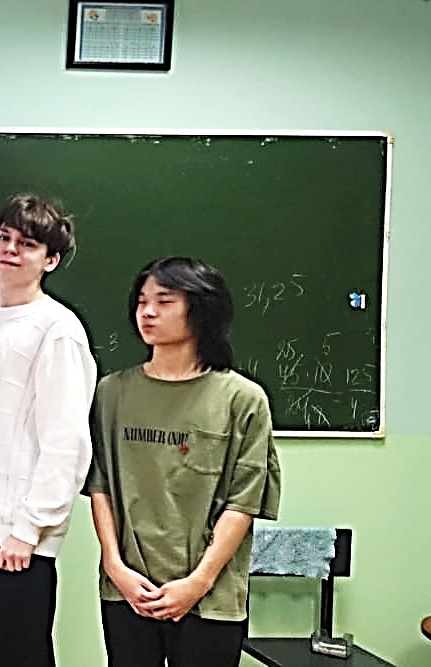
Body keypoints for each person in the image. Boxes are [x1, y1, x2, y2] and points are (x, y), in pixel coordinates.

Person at [85, 257, 282, 666]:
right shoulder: (112, 393)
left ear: (202, 309)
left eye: (164, 301)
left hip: (209, 597)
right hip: (128, 589)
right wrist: (115, 566)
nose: (147, 312)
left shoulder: (242, 399)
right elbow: (100, 484)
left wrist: (198, 582)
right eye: (142, 301)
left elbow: (243, 501)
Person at [0, 193, 97, 667]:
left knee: (14, 655)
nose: (10, 249)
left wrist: (29, 529)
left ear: (50, 260)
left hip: (18, 536)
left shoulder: (57, 330)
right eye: (4, 237)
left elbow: (66, 444)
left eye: (27, 244)